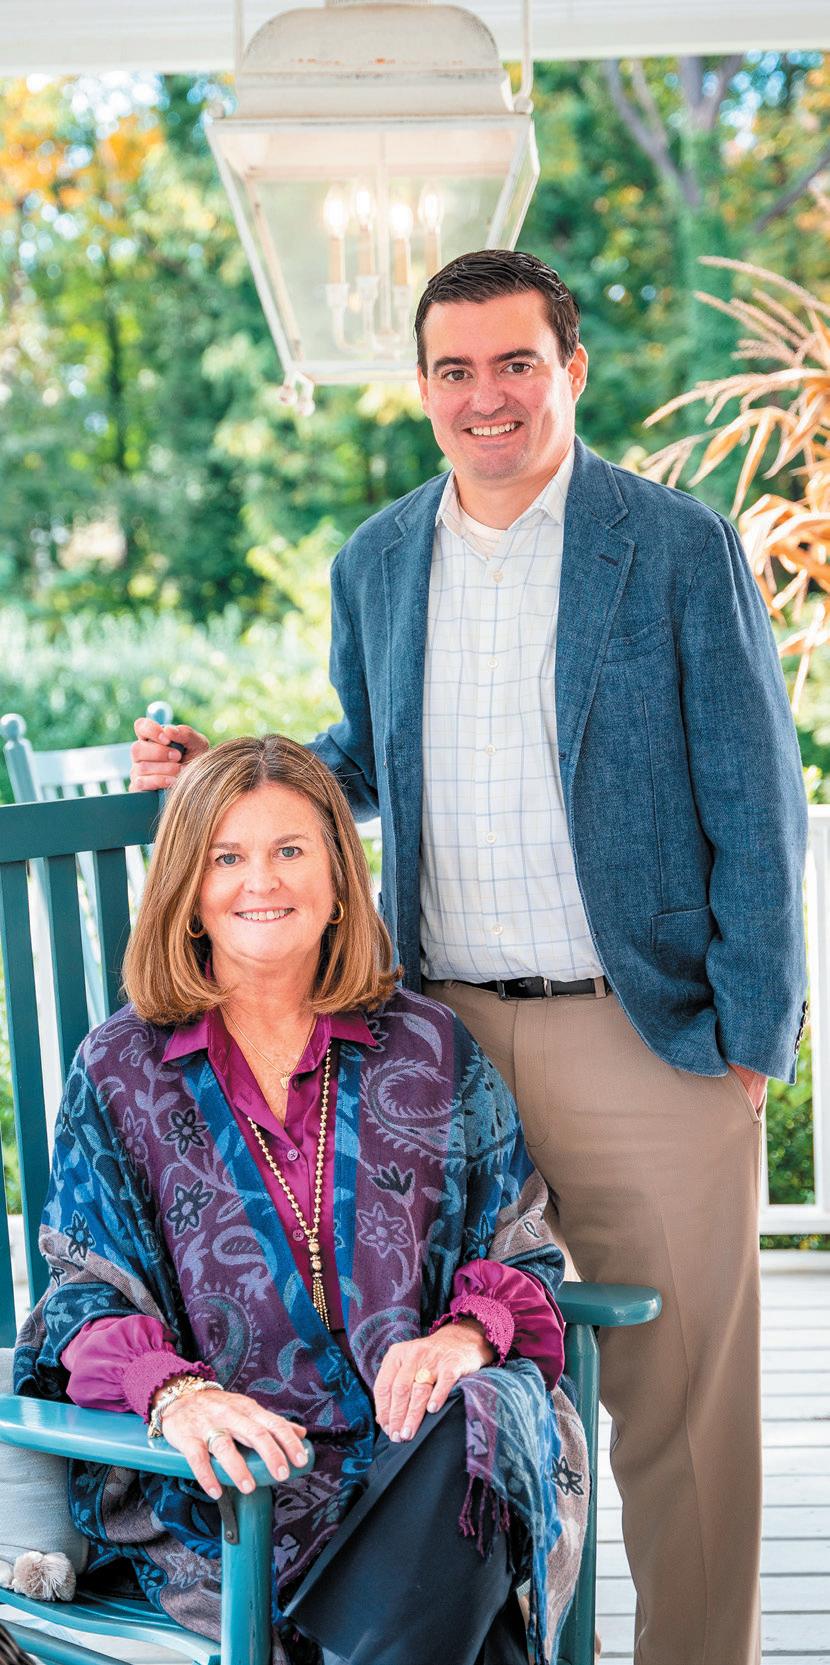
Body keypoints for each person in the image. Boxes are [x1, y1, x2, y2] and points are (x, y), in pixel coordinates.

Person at [130, 249, 808, 1665]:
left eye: (515, 363)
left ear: (570, 370)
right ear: (423, 386)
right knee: (451, 1390)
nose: (484, 395)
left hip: (647, 1040)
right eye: (454, 369)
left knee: (683, 1418)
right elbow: (366, 761)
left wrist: (747, 1047)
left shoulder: (673, 547)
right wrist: (222, 772)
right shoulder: (377, 560)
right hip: (431, 1047)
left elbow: (757, 805)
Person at [15, 735, 588, 1665]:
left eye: (290, 849)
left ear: (338, 878)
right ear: (188, 889)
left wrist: (463, 1335)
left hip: (420, 1453)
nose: (261, 880)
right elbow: (82, 1300)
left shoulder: (430, 1047)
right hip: (234, 1488)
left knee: (473, 1414)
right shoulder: (120, 1069)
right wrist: (176, 1391)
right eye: (226, 856)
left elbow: (522, 1252)